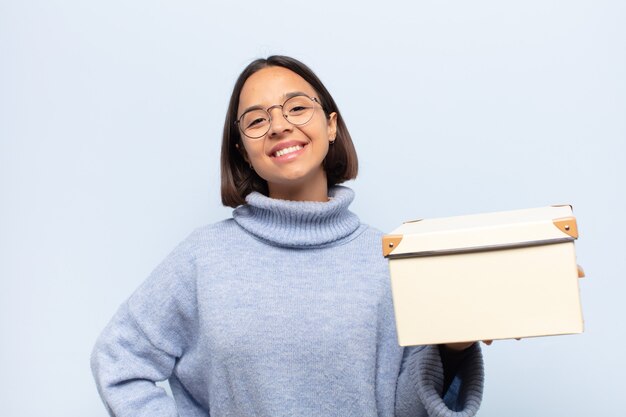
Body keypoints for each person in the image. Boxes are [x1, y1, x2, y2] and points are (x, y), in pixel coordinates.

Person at [91, 55, 484, 417]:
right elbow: (119, 359)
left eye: (297, 107)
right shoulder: (203, 258)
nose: (279, 125)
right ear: (244, 150)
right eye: (257, 120)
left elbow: (408, 410)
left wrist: (454, 347)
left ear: (331, 124)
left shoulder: (389, 261)